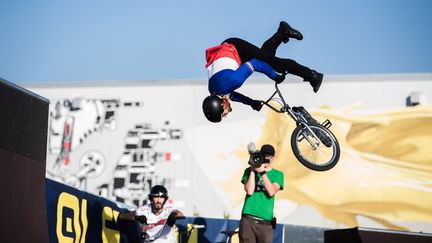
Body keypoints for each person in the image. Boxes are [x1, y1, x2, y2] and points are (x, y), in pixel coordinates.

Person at [202, 21, 323, 123]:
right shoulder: (214, 91)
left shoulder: (233, 81)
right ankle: (283, 31)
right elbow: (232, 95)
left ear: (221, 105)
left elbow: (255, 63)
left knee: (276, 65)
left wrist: (275, 77)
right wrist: (251, 102)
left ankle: (312, 75)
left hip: (236, 48)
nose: (226, 115)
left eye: (223, 114)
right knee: (266, 56)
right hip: (229, 51)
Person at [239, 144, 284, 243]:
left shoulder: (278, 174)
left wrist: (263, 172)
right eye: (265, 155)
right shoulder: (249, 170)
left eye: (269, 156)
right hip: (248, 219)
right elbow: (249, 191)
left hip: (266, 222)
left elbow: (271, 191)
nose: (267, 158)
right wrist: (252, 169)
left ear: (273, 158)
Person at [118, 185, 184, 243]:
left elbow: (180, 214)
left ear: (165, 199)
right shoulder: (144, 210)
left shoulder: (169, 210)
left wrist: (173, 215)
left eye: (161, 197)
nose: (158, 201)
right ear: (151, 199)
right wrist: (137, 217)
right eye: (156, 197)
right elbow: (122, 216)